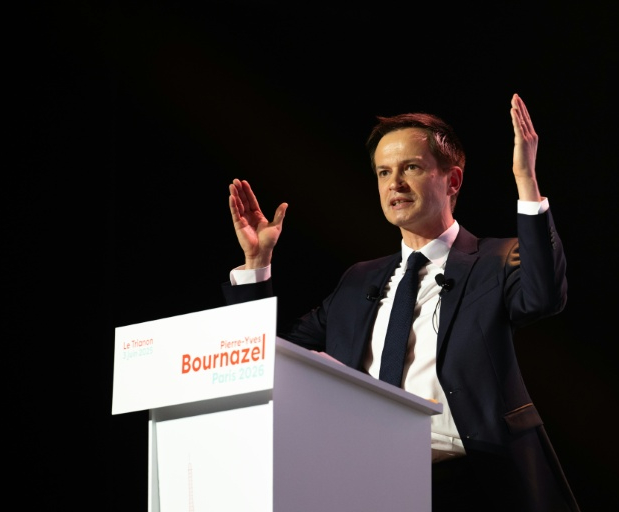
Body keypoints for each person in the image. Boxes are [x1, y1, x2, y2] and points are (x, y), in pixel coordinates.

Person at [222, 93, 580, 511]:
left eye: (411, 167)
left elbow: (543, 296)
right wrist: (256, 264)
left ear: (452, 181)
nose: (395, 183)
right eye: (384, 172)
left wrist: (525, 179)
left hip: (470, 479)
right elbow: (265, 360)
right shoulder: (358, 281)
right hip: (366, 484)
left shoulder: (495, 261)